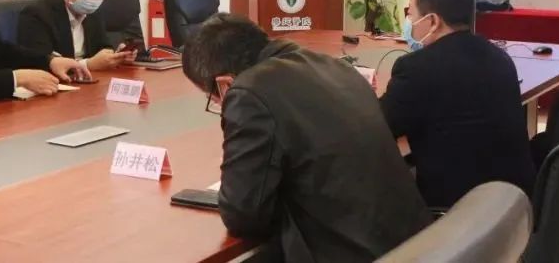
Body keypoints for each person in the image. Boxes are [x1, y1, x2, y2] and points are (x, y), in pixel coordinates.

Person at [182, 14, 431, 261]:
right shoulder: (336, 66)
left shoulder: (250, 91)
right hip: (416, 248)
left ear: (225, 85)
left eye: (214, 100)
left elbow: (243, 215)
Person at [380, 0, 535, 208]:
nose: (408, 22)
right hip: (512, 205)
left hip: (456, 212)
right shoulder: (499, 57)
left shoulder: (416, 68)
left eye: (410, 14)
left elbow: (379, 127)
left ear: (433, 21)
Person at [18, 0, 136, 71]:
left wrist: (115, 56)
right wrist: (87, 65)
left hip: (94, 80)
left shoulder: (93, 11)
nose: (95, 0)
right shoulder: (37, 13)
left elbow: (102, 47)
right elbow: (41, 63)